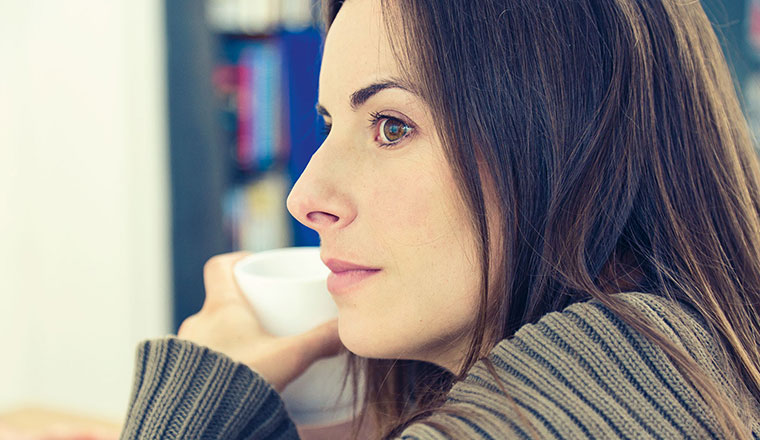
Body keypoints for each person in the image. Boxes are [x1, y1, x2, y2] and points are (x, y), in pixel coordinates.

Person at [119, 0, 760, 438]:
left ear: (567, 141)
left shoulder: (592, 395)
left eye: (391, 127)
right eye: (328, 124)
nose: (304, 196)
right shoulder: (671, 359)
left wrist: (197, 401)